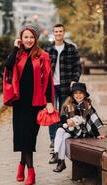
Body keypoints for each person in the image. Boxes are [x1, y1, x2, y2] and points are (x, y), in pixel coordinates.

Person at [4, 23, 55, 185]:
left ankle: (24, 168)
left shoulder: (42, 56)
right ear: (21, 38)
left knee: (29, 137)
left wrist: (49, 102)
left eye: (31, 37)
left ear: (36, 39)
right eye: (25, 37)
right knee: (22, 136)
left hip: (36, 103)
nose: (28, 40)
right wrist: (14, 48)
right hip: (20, 102)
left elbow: (48, 81)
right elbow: (8, 67)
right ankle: (28, 170)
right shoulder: (17, 54)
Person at [49, 82, 105, 172]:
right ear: (72, 94)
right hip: (70, 130)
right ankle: (59, 159)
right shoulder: (68, 105)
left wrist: (97, 134)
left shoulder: (87, 106)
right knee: (60, 132)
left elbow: (93, 120)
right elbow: (62, 120)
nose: (78, 95)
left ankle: (58, 158)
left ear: (84, 95)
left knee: (61, 133)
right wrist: (67, 121)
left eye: (81, 93)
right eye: (76, 93)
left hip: (81, 132)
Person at [44, 23, 81, 151]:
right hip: (51, 87)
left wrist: (74, 80)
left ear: (63, 33)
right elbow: (42, 68)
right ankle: (54, 140)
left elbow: (77, 66)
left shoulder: (71, 48)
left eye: (60, 31)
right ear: (53, 33)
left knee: (64, 113)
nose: (58, 33)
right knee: (52, 113)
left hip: (66, 86)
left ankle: (63, 137)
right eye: (56, 31)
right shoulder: (47, 49)